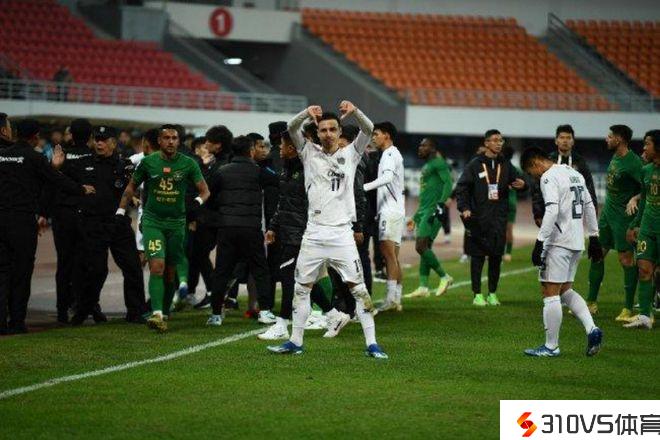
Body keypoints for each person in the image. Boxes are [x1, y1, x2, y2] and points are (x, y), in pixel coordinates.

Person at [268, 101, 387, 359]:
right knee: (301, 289)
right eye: (323, 130)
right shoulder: (308, 152)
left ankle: (372, 344)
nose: (328, 134)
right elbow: (291, 128)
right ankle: (295, 341)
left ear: (340, 131)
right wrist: (306, 114)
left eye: (333, 129)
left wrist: (355, 111)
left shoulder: (352, 154)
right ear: (317, 133)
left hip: (341, 235)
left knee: (359, 290)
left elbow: (368, 129)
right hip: (313, 234)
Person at [0, 118, 95, 335]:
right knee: (22, 272)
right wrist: (81, 189)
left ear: (15, 133)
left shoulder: (2, 155)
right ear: (35, 137)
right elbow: (56, 180)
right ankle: (17, 322)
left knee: (2, 271)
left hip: (1, 218)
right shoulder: (35, 157)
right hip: (22, 221)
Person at [116, 124, 209, 332]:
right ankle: (157, 313)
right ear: (159, 141)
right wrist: (121, 211)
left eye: (174, 138)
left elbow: (205, 191)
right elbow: (130, 187)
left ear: (179, 141)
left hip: (176, 224)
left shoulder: (188, 164)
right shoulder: (148, 163)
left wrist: (196, 203)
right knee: (157, 266)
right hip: (153, 222)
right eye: (166, 138)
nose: (170, 141)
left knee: (170, 271)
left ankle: (165, 311)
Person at [260, 131, 349, 340]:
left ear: (291, 148)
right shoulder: (287, 168)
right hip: (288, 229)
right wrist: (273, 226)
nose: (279, 149)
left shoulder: (310, 168)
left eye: (282, 145)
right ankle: (334, 315)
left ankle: (282, 325)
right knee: (302, 277)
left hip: (302, 231)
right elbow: (283, 201)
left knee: (289, 276)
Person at [521, 147, 603, 357]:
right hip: (576, 241)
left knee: (549, 291)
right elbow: (590, 205)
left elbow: (552, 210)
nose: (534, 177)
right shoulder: (574, 173)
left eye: (531, 173)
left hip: (558, 242)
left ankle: (551, 346)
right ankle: (592, 329)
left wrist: (540, 242)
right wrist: (594, 236)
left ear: (535, 163)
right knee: (565, 290)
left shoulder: (548, 177)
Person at [69, 126, 147, 325]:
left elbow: (132, 189)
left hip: (118, 223)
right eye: (97, 139)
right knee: (96, 270)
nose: (99, 143)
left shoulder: (124, 166)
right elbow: (67, 186)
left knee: (132, 267)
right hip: (93, 224)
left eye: (104, 140)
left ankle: (135, 312)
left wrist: (133, 199)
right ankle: (84, 310)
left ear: (113, 143)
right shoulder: (83, 164)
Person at [205, 136, 278, 326]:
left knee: (222, 271)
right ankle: (265, 311)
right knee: (260, 270)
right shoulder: (260, 171)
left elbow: (208, 196)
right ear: (251, 151)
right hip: (251, 227)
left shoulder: (221, 172)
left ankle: (216, 315)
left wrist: (221, 213)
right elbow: (276, 181)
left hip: (227, 228)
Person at [455, 130, 526, 307]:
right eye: (495, 140)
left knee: (496, 258)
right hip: (479, 218)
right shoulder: (475, 165)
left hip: (499, 220)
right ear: (486, 143)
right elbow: (462, 187)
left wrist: (523, 185)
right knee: (477, 258)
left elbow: (522, 180)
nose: (499, 143)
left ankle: (492, 294)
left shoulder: (506, 164)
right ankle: (477, 294)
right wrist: (464, 208)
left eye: (501, 140)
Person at [43, 119, 95, 324]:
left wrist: (43, 213)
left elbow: (50, 185)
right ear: (90, 136)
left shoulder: (60, 155)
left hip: (63, 215)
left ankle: (62, 311)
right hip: (87, 215)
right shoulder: (95, 156)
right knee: (86, 262)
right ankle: (85, 306)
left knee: (64, 263)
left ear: (71, 135)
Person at [588, 125, 643, 321]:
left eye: (610, 136)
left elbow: (647, 187)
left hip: (623, 218)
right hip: (607, 216)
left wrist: (635, 198)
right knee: (597, 255)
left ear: (619, 139)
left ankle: (628, 309)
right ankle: (591, 303)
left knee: (626, 260)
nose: (607, 139)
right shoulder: (616, 157)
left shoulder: (633, 163)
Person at [363, 121, 405, 312]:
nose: (374, 138)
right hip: (396, 210)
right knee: (393, 256)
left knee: (388, 256)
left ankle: (390, 299)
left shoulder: (388, 154)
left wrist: (364, 187)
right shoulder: (394, 153)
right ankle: (396, 297)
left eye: (376, 134)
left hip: (389, 210)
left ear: (386, 135)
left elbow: (387, 178)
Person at [405, 137, 454, 298]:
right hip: (425, 211)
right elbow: (425, 195)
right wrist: (416, 217)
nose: (420, 148)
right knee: (425, 248)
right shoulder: (427, 166)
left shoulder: (439, 163)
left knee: (420, 246)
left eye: (424, 145)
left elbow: (448, 183)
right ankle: (423, 286)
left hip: (433, 211)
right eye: (420, 145)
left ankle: (444, 277)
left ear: (433, 148)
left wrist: (441, 204)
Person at [193, 125, 233, 310]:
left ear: (218, 145)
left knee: (200, 254)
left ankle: (215, 292)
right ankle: (219, 293)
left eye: (209, 141)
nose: (206, 144)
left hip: (213, 218)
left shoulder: (220, 165)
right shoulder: (223, 161)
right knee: (221, 258)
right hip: (220, 217)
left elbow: (208, 189)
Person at [625, 130, 660, 329]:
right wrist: (634, 225)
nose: (644, 147)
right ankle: (645, 316)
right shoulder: (646, 171)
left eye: (648, 144)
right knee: (644, 268)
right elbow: (645, 201)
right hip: (647, 227)